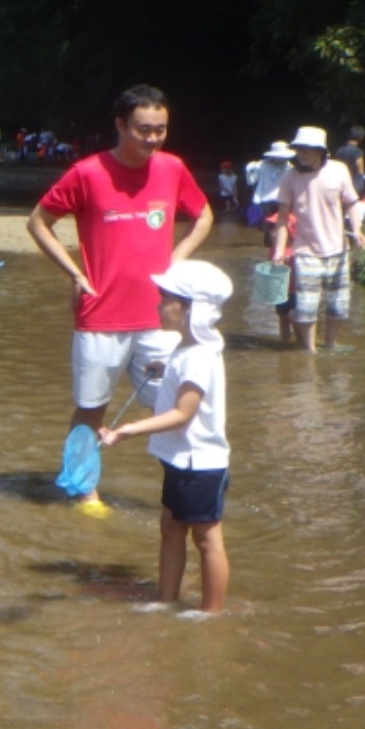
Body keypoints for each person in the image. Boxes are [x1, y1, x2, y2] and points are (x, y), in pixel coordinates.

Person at [26, 86, 214, 510]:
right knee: (91, 409)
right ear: (120, 126)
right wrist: (74, 271)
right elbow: (38, 223)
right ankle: (83, 489)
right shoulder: (87, 173)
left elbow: (203, 216)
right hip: (100, 314)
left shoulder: (172, 168)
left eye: (160, 131)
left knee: (174, 403)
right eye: (143, 130)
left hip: (160, 316)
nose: (152, 140)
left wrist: (176, 260)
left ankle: (181, 486)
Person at [99, 262, 232, 613]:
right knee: (171, 529)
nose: (157, 306)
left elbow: (182, 414)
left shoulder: (198, 357)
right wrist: (164, 367)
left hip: (200, 464)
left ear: (190, 310)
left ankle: (211, 612)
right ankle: (165, 599)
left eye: (165, 299)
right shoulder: (186, 349)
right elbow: (181, 371)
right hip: (179, 461)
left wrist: (128, 429)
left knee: (207, 540)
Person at [272, 125, 363, 353]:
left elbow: (352, 203)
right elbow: (282, 217)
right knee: (305, 309)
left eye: (306, 149)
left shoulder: (339, 170)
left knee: (339, 307)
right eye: (298, 149)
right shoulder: (289, 177)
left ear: (320, 151)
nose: (301, 153)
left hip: (338, 249)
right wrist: (279, 250)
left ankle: (331, 345)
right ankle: (310, 352)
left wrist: (358, 230)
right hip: (305, 251)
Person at [337, 125, 365, 192]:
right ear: (361, 138)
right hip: (353, 184)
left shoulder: (339, 151)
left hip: (339, 182)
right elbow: (360, 171)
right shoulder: (358, 152)